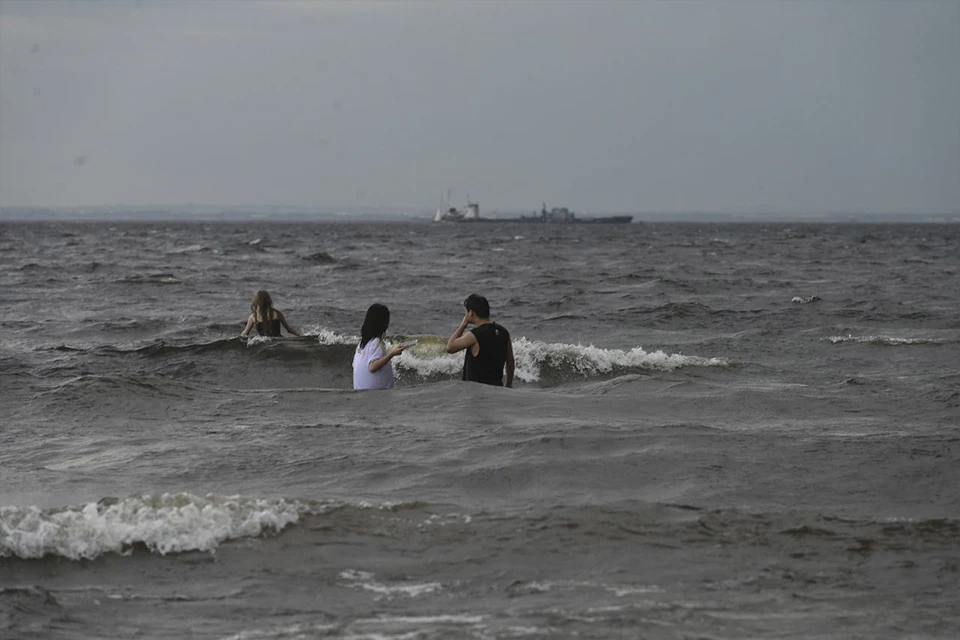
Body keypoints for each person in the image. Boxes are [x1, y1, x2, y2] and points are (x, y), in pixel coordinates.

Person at [446, 293, 515, 388]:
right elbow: (510, 360)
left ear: (471, 313)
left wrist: (463, 325)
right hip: (497, 391)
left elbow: (450, 347)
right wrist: (509, 383)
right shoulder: (504, 332)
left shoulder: (474, 335)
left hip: (476, 393)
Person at [353, 303, 406, 390]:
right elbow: (372, 367)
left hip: (361, 395)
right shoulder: (377, 343)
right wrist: (392, 354)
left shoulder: (362, 344)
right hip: (376, 397)